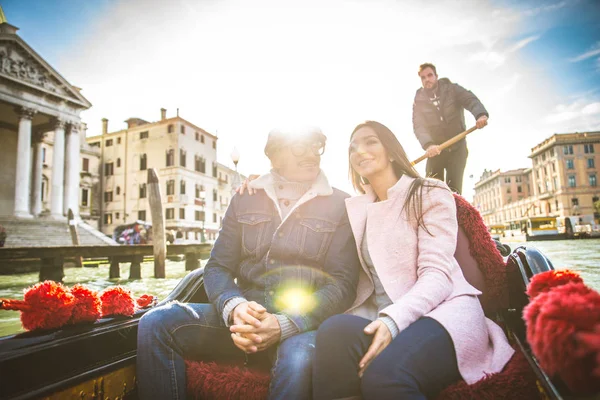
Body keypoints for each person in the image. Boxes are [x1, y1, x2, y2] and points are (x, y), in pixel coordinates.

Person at [136, 126, 360, 400]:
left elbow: (342, 284)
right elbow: (218, 266)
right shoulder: (245, 197)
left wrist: (284, 324)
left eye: (317, 146)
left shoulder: (341, 204)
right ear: (275, 157)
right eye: (302, 146)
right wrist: (234, 307)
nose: (312, 154)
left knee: (299, 359)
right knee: (156, 322)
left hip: (301, 324)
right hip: (242, 318)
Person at [312, 121, 514, 400]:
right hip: (386, 316)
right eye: (353, 147)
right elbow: (314, 196)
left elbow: (437, 276)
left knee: (383, 377)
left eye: (370, 141)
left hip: (445, 312)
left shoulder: (429, 192)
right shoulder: (356, 209)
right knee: (333, 331)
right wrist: (260, 184)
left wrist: (392, 322)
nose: (360, 150)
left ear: (392, 152)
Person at [413, 62, 489, 194]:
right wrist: (429, 145)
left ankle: (455, 214)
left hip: (457, 148)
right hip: (435, 150)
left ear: (436, 76)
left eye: (430, 75)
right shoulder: (418, 100)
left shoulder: (452, 89)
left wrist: (480, 114)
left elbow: (470, 100)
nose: (427, 80)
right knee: (433, 190)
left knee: (454, 191)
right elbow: (419, 125)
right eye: (423, 78)